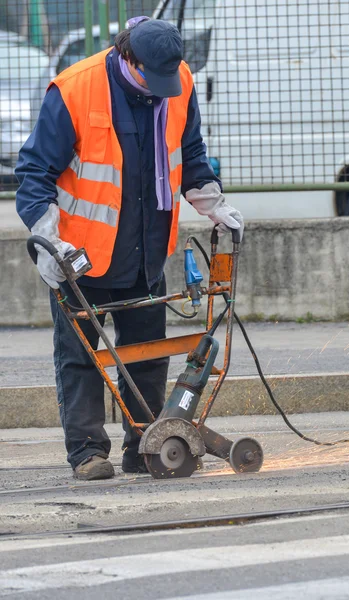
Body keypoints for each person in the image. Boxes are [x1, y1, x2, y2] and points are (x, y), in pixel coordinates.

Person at [15, 16, 244, 480]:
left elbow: (190, 152)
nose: (162, 91)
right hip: (81, 260)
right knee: (80, 357)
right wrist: (49, 241)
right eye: (152, 80)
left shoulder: (177, 81)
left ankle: (146, 446)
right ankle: (87, 454)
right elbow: (34, 175)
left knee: (148, 353)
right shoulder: (75, 90)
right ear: (127, 58)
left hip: (146, 252)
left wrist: (213, 203)